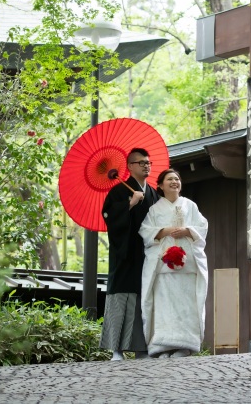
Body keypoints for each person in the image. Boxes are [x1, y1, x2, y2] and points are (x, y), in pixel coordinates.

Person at [139, 169, 209, 358]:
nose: (174, 182)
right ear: (160, 185)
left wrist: (187, 230)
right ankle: (164, 346)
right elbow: (145, 231)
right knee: (165, 306)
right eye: (169, 179)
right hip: (163, 265)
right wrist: (164, 231)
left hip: (187, 265)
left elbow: (202, 227)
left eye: (177, 178)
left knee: (186, 304)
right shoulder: (154, 209)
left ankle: (185, 346)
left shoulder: (190, 205)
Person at [99, 148, 159, 361]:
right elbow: (108, 215)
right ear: (130, 166)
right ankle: (116, 349)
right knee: (122, 298)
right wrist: (130, 203)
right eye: (141, 162)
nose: (146, 165)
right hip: (125, 253)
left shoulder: (153, 193)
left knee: (145, 299)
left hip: (147, 253)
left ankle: (141, 347)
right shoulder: (118, 192)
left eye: (148, 162)